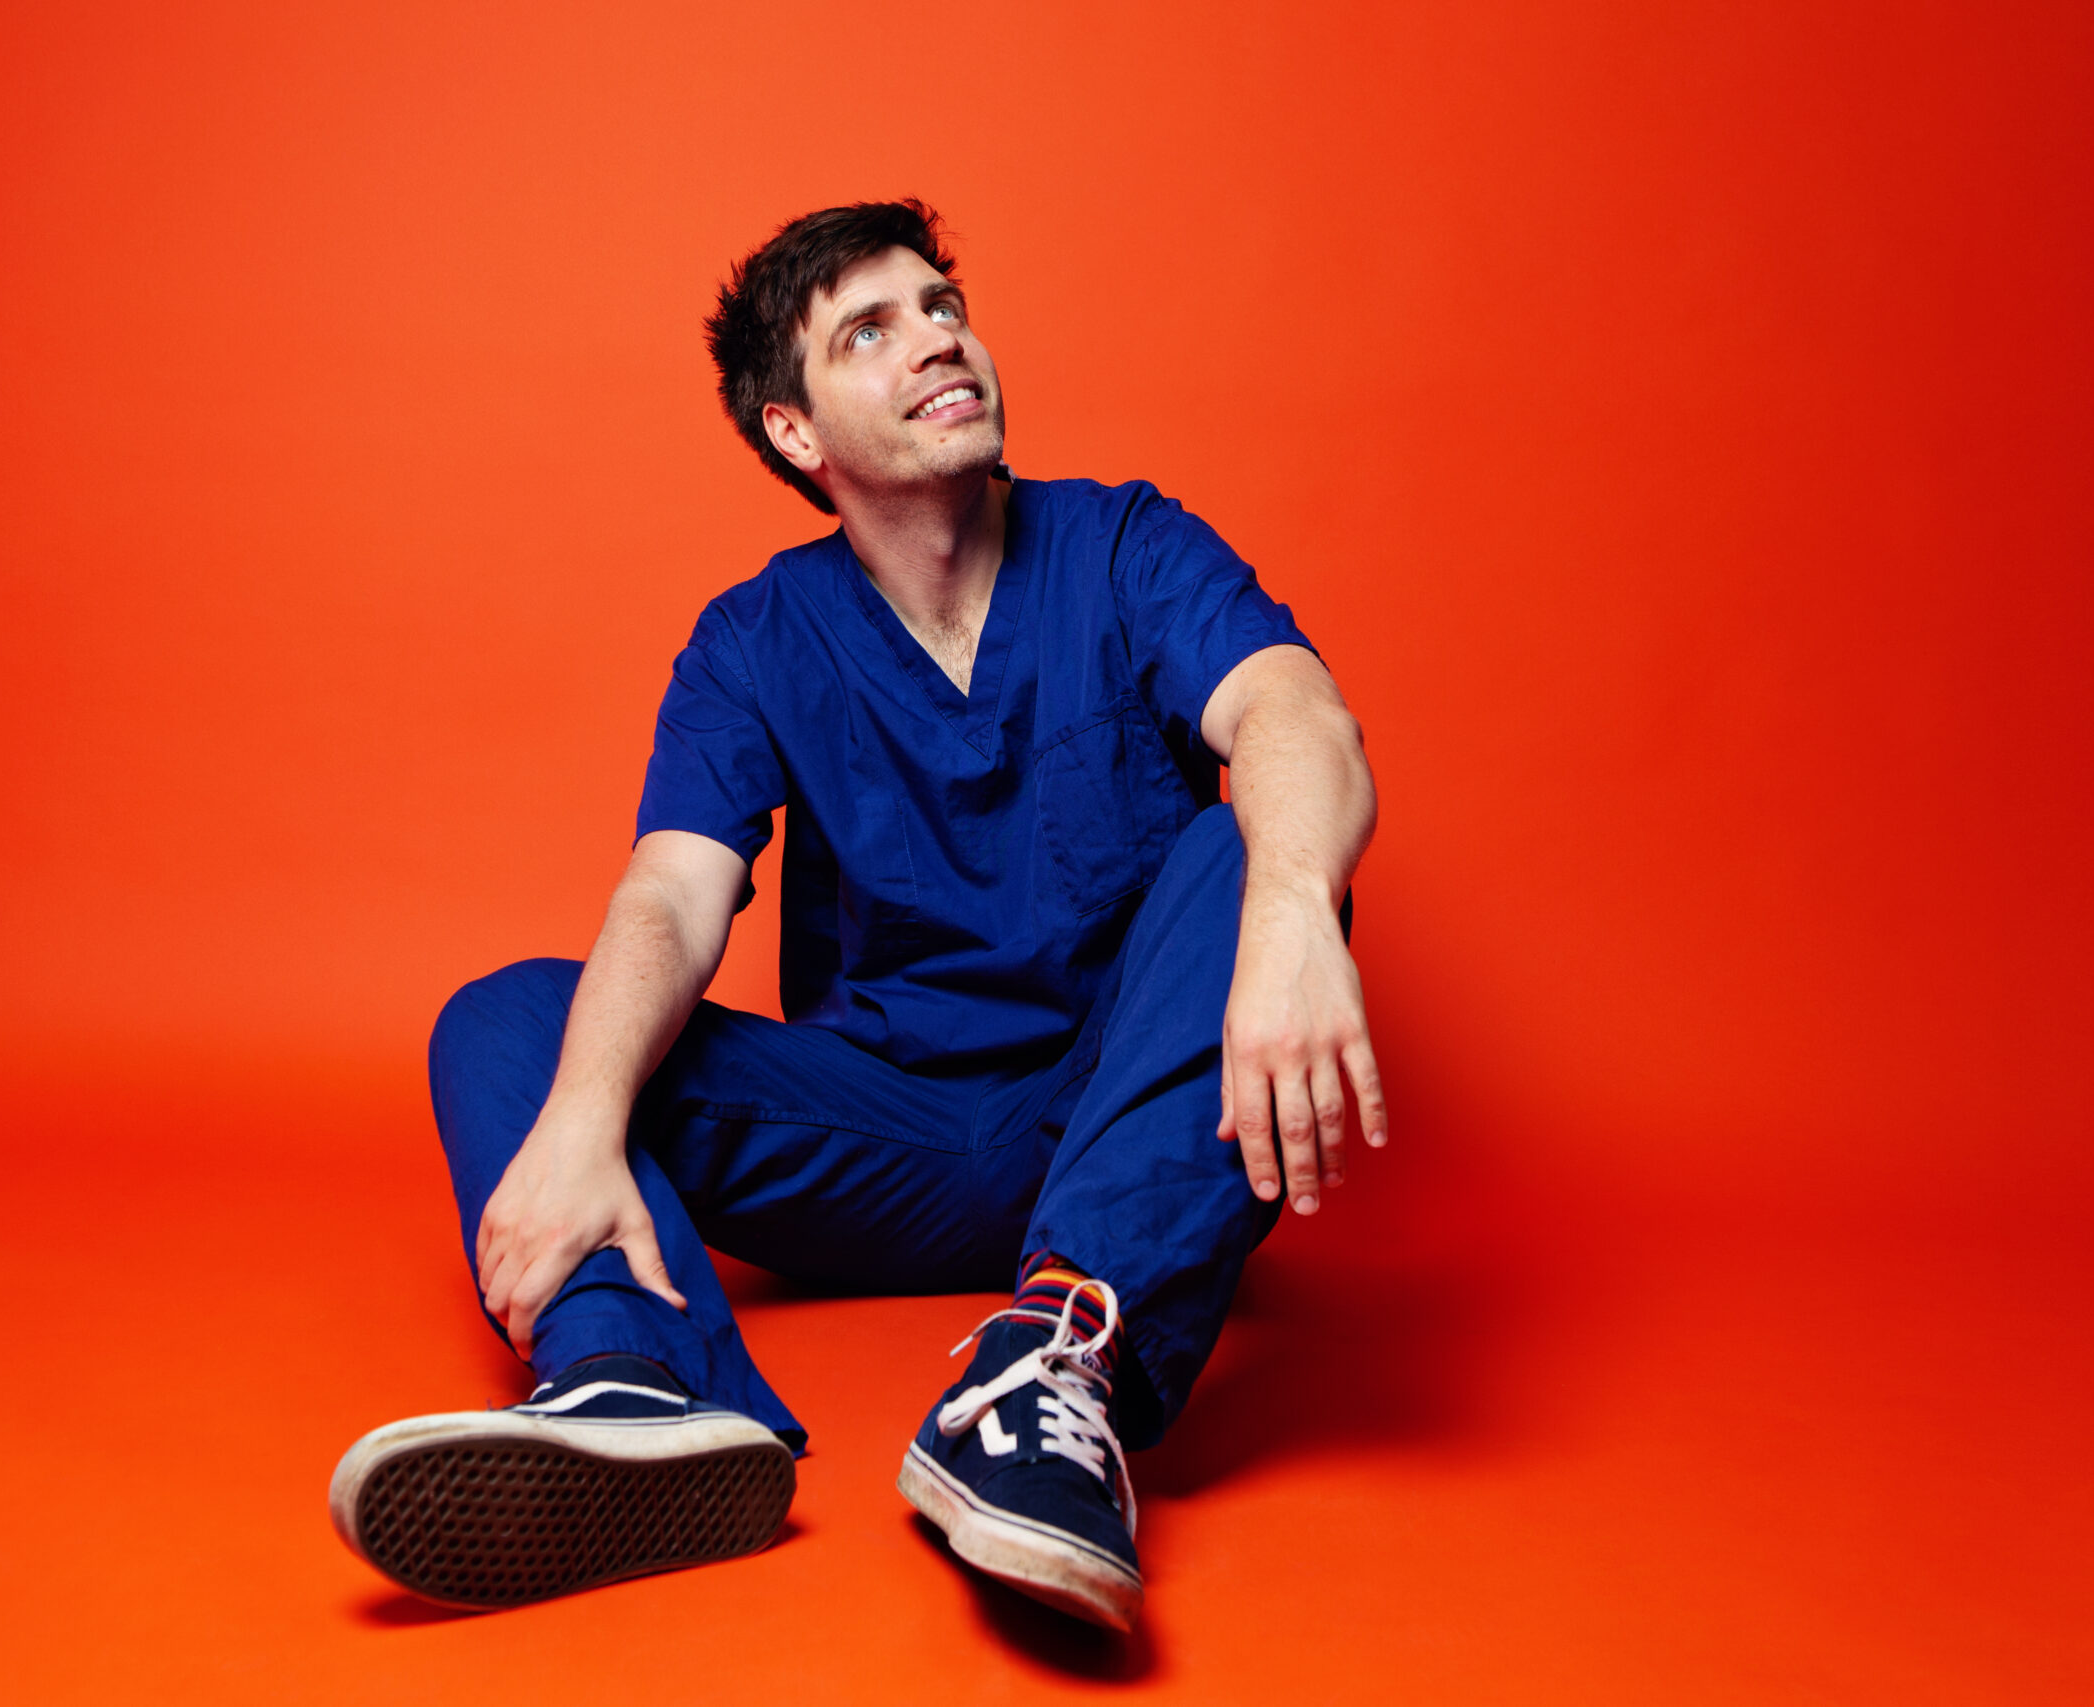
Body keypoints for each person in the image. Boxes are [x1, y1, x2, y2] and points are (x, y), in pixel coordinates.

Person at [329, 199, 1383, 1633]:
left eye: (943, 306)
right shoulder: (756, 639)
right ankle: (634, 1385)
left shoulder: (1125, 545)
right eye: (869, 331)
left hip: (1128, 1120)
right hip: (895, 1141)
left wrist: (1298, 911)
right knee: (512, 1020)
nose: (937, 340)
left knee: (1255, 834)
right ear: (795, 432)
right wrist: (581, 1121)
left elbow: (1294, 711)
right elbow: (673, 892)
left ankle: (1048, 1371)